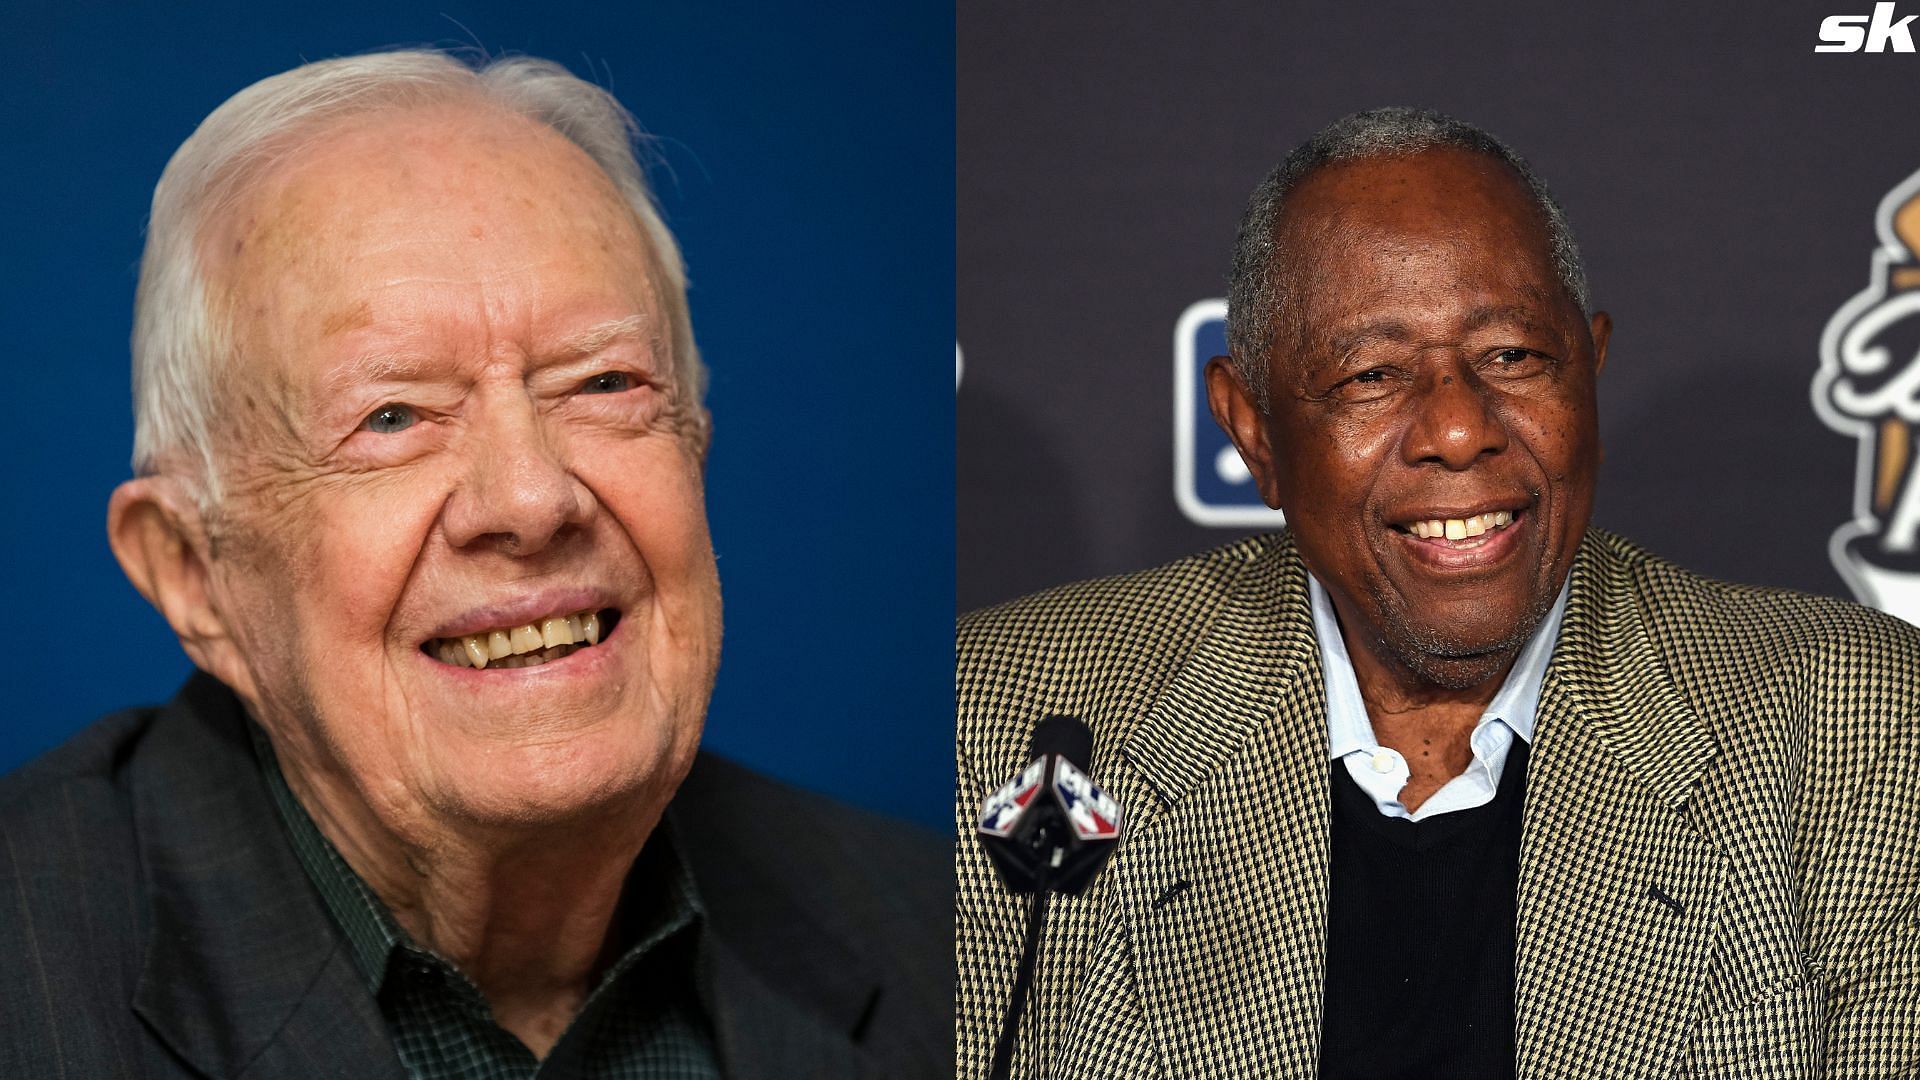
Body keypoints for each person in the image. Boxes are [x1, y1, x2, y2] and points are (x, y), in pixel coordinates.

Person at [0, 50, 947, 1078]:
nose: (533, 499)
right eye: (393, 416)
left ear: (694, 450)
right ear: (191, 569)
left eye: (602, 383)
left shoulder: (949, 938)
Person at [956, 107, 1920, 1078]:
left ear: (1590, 371)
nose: (1459, 430)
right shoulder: (1004, 716)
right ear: (1252, 431)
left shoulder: (1849, 723)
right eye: (1372, 374)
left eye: (1512, 356)